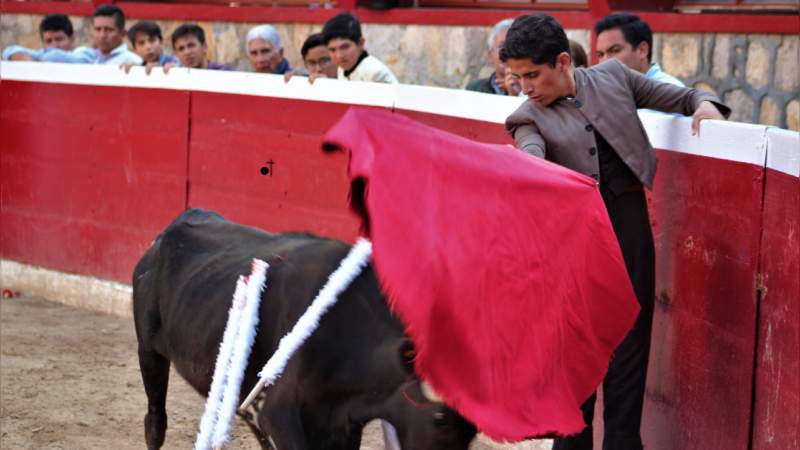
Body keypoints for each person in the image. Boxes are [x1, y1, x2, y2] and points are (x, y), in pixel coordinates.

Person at [500, 13, 729, 450]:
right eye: (517, 76)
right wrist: (528, 167)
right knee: (578, 362)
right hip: (576, 248)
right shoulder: (527, 117)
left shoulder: (614, 77)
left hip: (629, 232)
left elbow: (681, 96)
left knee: (630, 351)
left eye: (533, 74)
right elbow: (531, 154)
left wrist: (703, 104)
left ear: (563, 61)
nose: (525, 86)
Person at [3, 5, 141, 65]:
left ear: (122, 33)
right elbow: (10, 51)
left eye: (108, 30)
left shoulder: (132, 61)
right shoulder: (86, 54)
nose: (102, 35)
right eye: (98, 29)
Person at [595, 13, 683, 86]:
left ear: (642, 50)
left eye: (615, 50)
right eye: (600, 55)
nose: (604, 62)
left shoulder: (671, 93)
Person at [321, 12, 398, 84]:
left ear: (360, 43)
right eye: (332, 50)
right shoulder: (342, 68)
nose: (339, 55)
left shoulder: (376, 72)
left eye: (345, 47)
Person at [466, 19, 520, 96]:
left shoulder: (530, 90)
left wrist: (518, 94)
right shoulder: (474, 89)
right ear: (491, 55)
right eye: (502, 46)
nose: (508, 52)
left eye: (513, 46)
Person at [3, 14, 76, 60]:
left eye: (59, 39)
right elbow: (9, 51)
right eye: (48, 41)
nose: (54, 46)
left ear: (72, 39)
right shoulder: (41, 55)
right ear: (43, 43)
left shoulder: (82, 54)